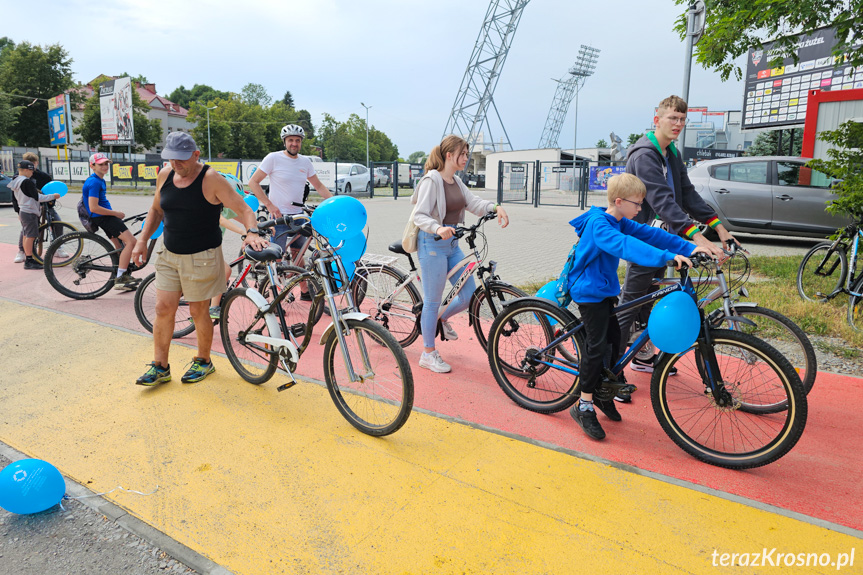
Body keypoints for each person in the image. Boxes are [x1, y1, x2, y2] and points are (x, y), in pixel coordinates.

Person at [565, 173, 709, 440]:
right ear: (619, 201)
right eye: (638, 204)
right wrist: (668, 258)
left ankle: (601, 393)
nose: (641, 209)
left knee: (613, 341)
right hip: (588, 292)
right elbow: (626, 246)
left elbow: (652, 235)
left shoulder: (619, 219)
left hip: (604, 289)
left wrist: (688, 248)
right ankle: (583, 405)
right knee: (596, 347)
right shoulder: (601, 225)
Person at [131, 132, 267, 387]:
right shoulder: (165, 175)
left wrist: (252, 233)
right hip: (169, 254)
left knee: (198, 311)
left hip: (202, 256)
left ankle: (204, 361)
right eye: (171, 159)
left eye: (181, 159)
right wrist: (141, 240)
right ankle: (160, 366)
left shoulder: (211, 179)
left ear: (196, 155)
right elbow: (156, 209)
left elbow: (245, 210)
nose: (176, 164)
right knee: (163, 309)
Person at [618, 95, 737, 384]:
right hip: (642, 239)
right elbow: (663, 202)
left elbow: (687, 195)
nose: (679, 124)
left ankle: (644, 355)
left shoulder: (671, 152)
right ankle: (608, 368)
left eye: (683, 119)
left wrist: (718, 227)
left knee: (651, 294)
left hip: (661, 238)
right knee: (631, 302)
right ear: (656, 119)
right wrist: (696, 238)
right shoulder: (645, 155)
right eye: (673, 118)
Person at [412, 135, 510, 373]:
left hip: (453, 245)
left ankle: (441, 319)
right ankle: (428, 353)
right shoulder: (431, 181)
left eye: (467, 154)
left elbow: (473, 203)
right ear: (449, 155)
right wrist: (438, 227)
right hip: (432, 244)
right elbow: (419, 215)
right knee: (433, 301)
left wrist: (495, 207)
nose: (466, 158)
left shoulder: (456, 181)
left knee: (468, 295)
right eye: (463, 154)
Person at [248, 124, 331, 256]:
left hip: (299, 217)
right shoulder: (273, 158)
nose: (294, 144)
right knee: (278, 258)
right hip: (279, 217)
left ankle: (297, 276)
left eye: (297, 140)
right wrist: (269, 205)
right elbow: (253, 182)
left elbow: (319, 186)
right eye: (290, 140)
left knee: (298, 256)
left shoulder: (305, 162)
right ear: (284, 142)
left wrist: (334, 202)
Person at [81, 153, 139, 291]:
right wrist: (116, 214)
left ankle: (123, 273)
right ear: (92, 166)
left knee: (120, 245)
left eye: (106, 163)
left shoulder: (99, 179)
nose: (105, 166)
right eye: (101, 164)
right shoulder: (94, 182)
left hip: (104, 216)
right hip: (103, 217)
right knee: (131, 242)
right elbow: (94, 207)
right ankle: (120, 278)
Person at [9, 160, 60, 270]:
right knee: (31, 236)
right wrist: (53, 196)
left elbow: (15, 197)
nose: (32, 173)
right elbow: (38, 197)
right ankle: (29, 260)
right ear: (27, 170)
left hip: (23, 210)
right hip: (30, 211)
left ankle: (28, 257)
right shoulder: (27, 182)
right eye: (32, 171)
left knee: (26, 235)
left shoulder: (15, 180)